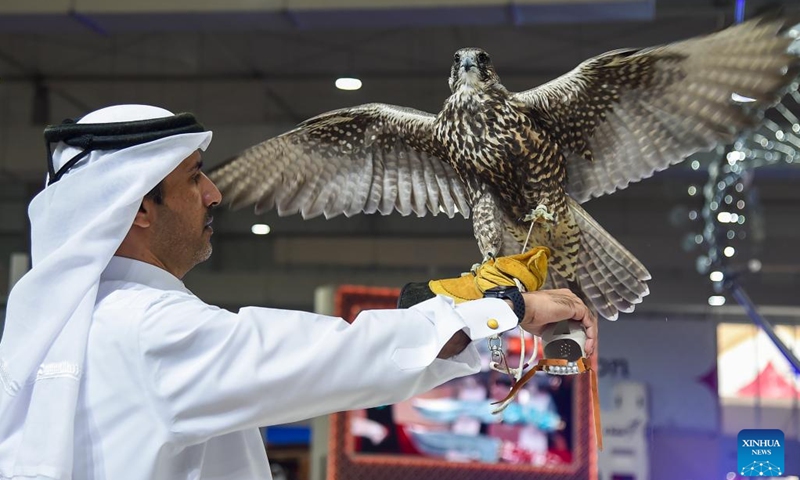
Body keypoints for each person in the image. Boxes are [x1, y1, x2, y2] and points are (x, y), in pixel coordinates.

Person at [0, 104, 596, 480]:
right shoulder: (145, 330)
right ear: (139, 212)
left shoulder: (77, 329)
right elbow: (344, 355)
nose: (214, 193)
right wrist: (507, 308)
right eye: (193, 178)